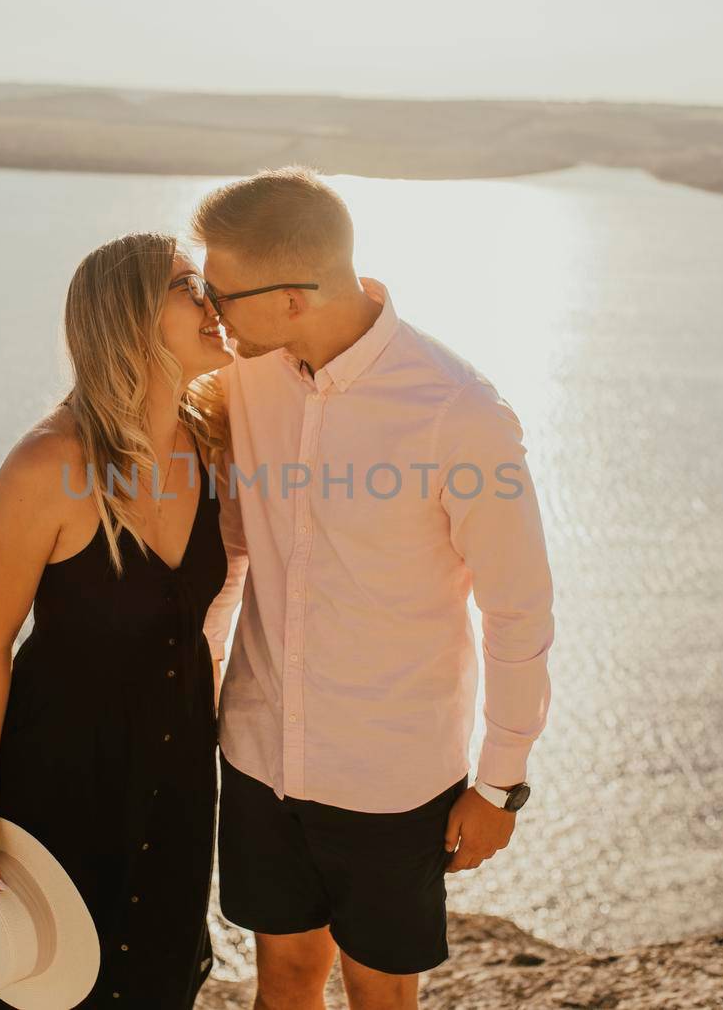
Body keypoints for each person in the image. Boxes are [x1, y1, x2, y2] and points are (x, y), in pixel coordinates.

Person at [193, 167, 557, 1010]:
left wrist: (501, 781)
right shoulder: (246, 378)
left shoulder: (457, 410)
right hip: (257, 755)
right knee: (281, 979)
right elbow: (237, 551)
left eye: (222, 293)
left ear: (292, 297)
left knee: (382, 993)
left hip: (390, 776)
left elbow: (517, 607)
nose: (211, 313)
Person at [0, 232, 238, 1009]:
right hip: (60, 779)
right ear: (130, 317)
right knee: (35, 981)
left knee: (155, 980)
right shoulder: (49, 464)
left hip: (176, 774)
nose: (213, 304)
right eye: (187, 287)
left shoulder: (210, 445)